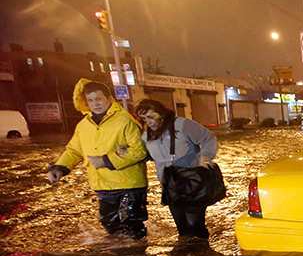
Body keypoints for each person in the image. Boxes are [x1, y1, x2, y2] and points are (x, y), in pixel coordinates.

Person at [47, 79, 149, 239]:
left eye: (99, 99)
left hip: (129, 185)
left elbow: (139, 151)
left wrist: (106, 161)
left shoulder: (125, 121)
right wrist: (59, 167)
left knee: (130, 224)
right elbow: (74, 150)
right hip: (102, 185)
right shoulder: (83, 125)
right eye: (91, 100)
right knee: (110, 224)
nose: (95, 104)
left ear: (109, 99)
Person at [134, 98, 218, 239]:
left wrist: (206, 155)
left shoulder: (182, 125)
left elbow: (208, 137)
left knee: (195, 225)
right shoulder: (146, 135)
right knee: (182, 228)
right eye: (144, 118)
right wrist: (125, 152)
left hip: (192, 183)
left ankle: (202, 254)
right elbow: (147, 155)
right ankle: (188, 255)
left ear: (161, 112)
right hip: (170, 186)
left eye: (150, 116)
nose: (148, 121)